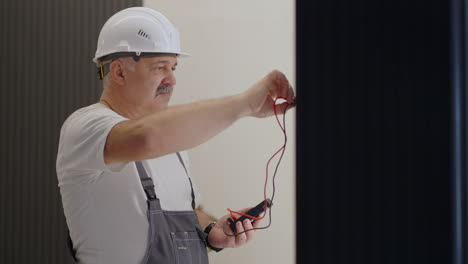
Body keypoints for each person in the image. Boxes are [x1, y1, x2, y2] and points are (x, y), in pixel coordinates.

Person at [56, 6, 295, 264]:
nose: (172, 79)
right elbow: (145, 139)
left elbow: (188, 210)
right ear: (119, 72)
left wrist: (213, 229)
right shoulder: (85, 127)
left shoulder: (174, 144)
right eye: (160, 67)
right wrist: (244, 104)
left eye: (173, 67)